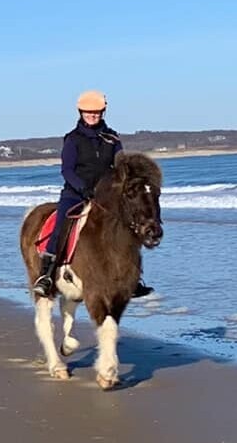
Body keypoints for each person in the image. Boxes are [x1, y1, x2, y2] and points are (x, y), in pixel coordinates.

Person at [32, 90, 153, 298]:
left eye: (96, 113)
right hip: (76, 193)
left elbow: (119, 165)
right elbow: (67, 171)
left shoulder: (112, 138)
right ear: (81, 113)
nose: (92, 116)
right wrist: (83, 189)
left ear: (103, 112)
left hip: (105, 195)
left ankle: (133, 276)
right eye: (88, 113)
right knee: (61, 224)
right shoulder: (73, 139)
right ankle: (47, 275)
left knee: (130, 224)